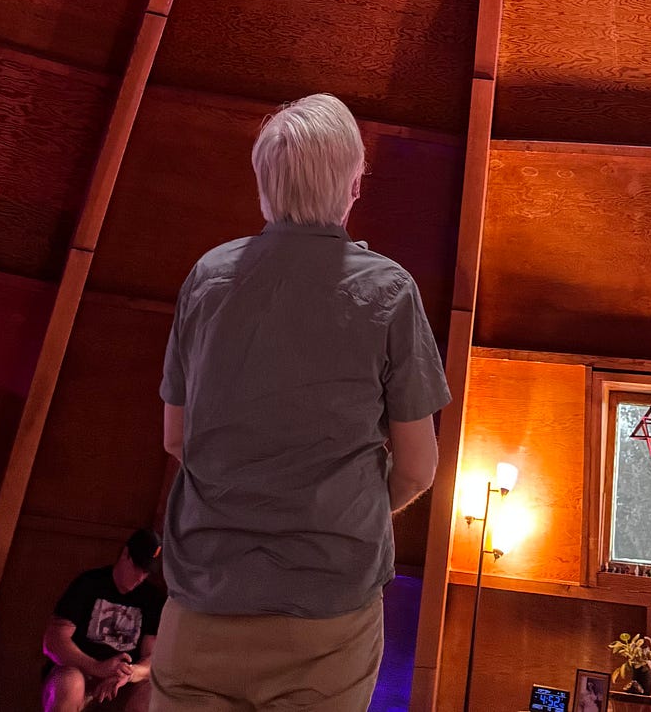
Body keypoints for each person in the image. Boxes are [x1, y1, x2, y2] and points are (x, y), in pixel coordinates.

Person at [151, 93, 449, 712]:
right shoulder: (390, 291)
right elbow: (419, 468)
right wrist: (345, 513)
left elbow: (176, 439)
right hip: (328, 621)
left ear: (263, 183)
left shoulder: (207, 278)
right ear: (354, 185)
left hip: (200, 606)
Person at [43, 530, 164, 709]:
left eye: (146, 572)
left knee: (151, 696)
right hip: (81, 672)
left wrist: (130, 673)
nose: (140, 577)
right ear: (125, 554)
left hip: (123, 684)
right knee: (69, 682)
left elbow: (152, 658)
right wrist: (96, 666)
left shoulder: (152, 598)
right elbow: (53, 641)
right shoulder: (89, 583)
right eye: (137, 567)